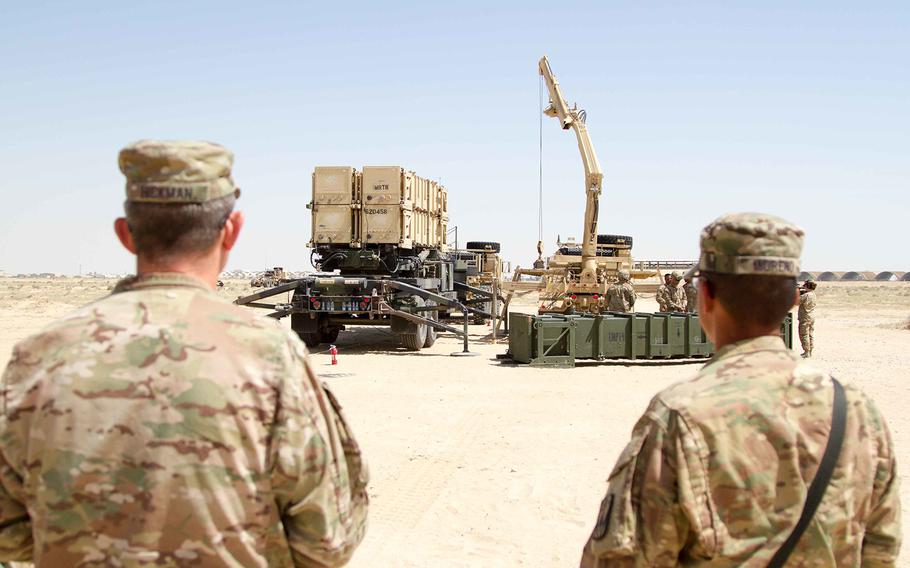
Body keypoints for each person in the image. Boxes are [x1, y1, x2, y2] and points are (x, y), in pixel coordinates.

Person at [0, 140, 369, 566]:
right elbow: (328, 540)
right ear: (232, 229)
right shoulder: (269, 354)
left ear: (125, 233)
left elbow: (9, 533)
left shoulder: (41, 354)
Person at [581, 212, 900, 566]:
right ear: (794, 300)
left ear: (705, 296)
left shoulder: (680, 418)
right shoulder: (857, 412)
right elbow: (882, 548)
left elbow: (619, 558)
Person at [799, 279, 818, 357]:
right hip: (811, 316)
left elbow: (797, 301)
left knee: (804, 334)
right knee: (810, 334)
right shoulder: (813, 294)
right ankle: (810, 351)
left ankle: (806, 352)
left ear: (807, 286)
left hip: (805, 317)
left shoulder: (806, 295)